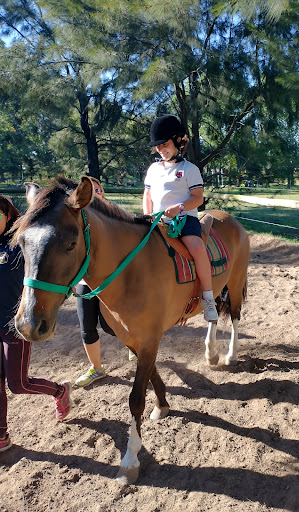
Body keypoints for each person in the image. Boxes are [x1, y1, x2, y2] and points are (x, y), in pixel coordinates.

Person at [0, 195, 72, 453]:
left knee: (18, 384)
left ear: (7, 215)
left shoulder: (21, 242)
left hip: (14, 324)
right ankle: (1, 436)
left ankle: (59, 391)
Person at [143, 114, 218, 322]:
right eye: (157, 146)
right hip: (156, 221)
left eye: (164, 144)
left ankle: (209, 298)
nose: (160, 149)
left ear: (178, 141)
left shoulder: (189, 170)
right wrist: (146, 216)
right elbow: (147, 195)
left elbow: (198, 199)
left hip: (185, 221)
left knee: (197, 249)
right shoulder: (153, 169)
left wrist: (181, 207)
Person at [74, 178, 136, 388]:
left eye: (98, 189)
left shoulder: (112, 221)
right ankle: (96, 369)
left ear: (102, 194)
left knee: (111, 327)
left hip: (109, 282)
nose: (94, 192)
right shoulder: (76, 220)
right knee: (87, 328)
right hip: (84, 283)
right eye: (90, 190)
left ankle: (133, 344)